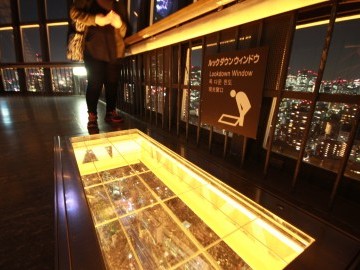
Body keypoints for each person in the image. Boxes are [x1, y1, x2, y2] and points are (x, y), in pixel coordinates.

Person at [69, 0, 129, 132]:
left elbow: (124, 30)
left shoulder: (119, 3)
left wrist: (120, 24)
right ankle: (92, 115)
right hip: (92, 48)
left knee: (112, 84)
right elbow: (73, 13)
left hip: (115, 50)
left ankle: (110, 112)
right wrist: (96, 19)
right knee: (94, 83)